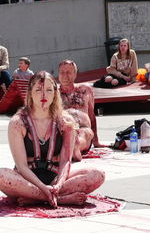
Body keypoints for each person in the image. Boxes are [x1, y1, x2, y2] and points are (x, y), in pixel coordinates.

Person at [0, 71, 105, 207]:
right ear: (30, 92)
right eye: (38, 90)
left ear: (55, 93)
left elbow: (66, 161)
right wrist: (43, 188)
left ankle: (38, 198)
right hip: (27, 180)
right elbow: (21, 166)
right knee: (1, 175)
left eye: (49, 90)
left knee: (97, 175)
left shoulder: (66, 121)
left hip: (56, 177)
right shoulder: (18, 122)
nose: (44, 95)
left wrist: (59, 184)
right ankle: (57, 198)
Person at [58, 60, 103, 161]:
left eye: (68, 72)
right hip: (62, 130)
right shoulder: (53, 93)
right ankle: (69, 146)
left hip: (83, 130)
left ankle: (75, 146)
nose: (65, 75)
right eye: (62, 72)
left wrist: (96, 141)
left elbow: (91, 115)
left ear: (75, 74)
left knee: (84, 133)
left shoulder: (85, 90)